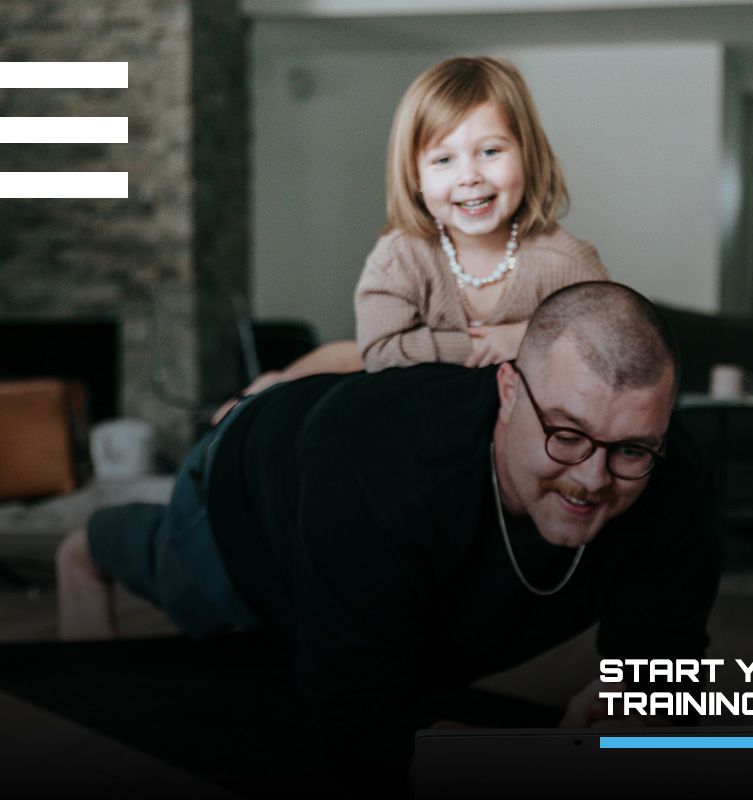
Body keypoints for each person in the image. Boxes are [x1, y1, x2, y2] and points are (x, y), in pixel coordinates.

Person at [56, 282, 718, 792]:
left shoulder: (673, 478)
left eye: (631, 448)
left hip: (358, 445)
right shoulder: (379, 483)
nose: (593, 478)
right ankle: (94, 542)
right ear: (509, 391)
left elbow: (662, 669)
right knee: (196, 601)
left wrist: (638, 714)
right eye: (566, 434)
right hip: (250, 482)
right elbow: (352, 725)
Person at [216, 57, 606, 422]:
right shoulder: (402, 254)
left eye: (490, 151)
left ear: (529, 157)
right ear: (416, 178)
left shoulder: (565, 261)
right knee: (349, 360)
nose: (469, 176)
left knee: (356, 358)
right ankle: (271, 386)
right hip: (407, 384)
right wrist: (481, 348)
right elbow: (380, 351)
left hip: (504, 406)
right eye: (443, 160)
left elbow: (607, 343)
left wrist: (526, 337)